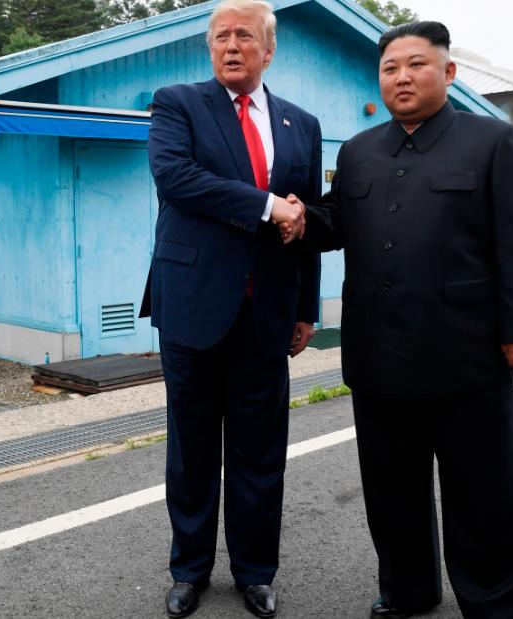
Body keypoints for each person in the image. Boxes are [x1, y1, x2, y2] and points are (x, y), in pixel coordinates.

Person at [290, 20, 513, 619]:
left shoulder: (491, 140)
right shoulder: (358, 151)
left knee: (484, 490)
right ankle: (407, 591)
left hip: (467, 350)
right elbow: (336, 224)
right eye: (389, 68)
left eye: (416, 65)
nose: (401, 77)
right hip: (378, 352)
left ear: (448, 73)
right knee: (390, 488)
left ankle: (496, 603)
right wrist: (297, 216)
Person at [139, 0, 328, 616]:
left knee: (259, 449)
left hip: (268, 311)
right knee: (191, 447)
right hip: (193, 303)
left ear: (269, 50)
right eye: (220, 36)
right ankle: (189, 570)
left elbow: (310, 223)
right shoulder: (177, 104)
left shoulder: (302, 122)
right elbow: (176, 179)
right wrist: (266, 205)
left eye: (244, 35)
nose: (230, 45)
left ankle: (255, 572)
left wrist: (306, 306)